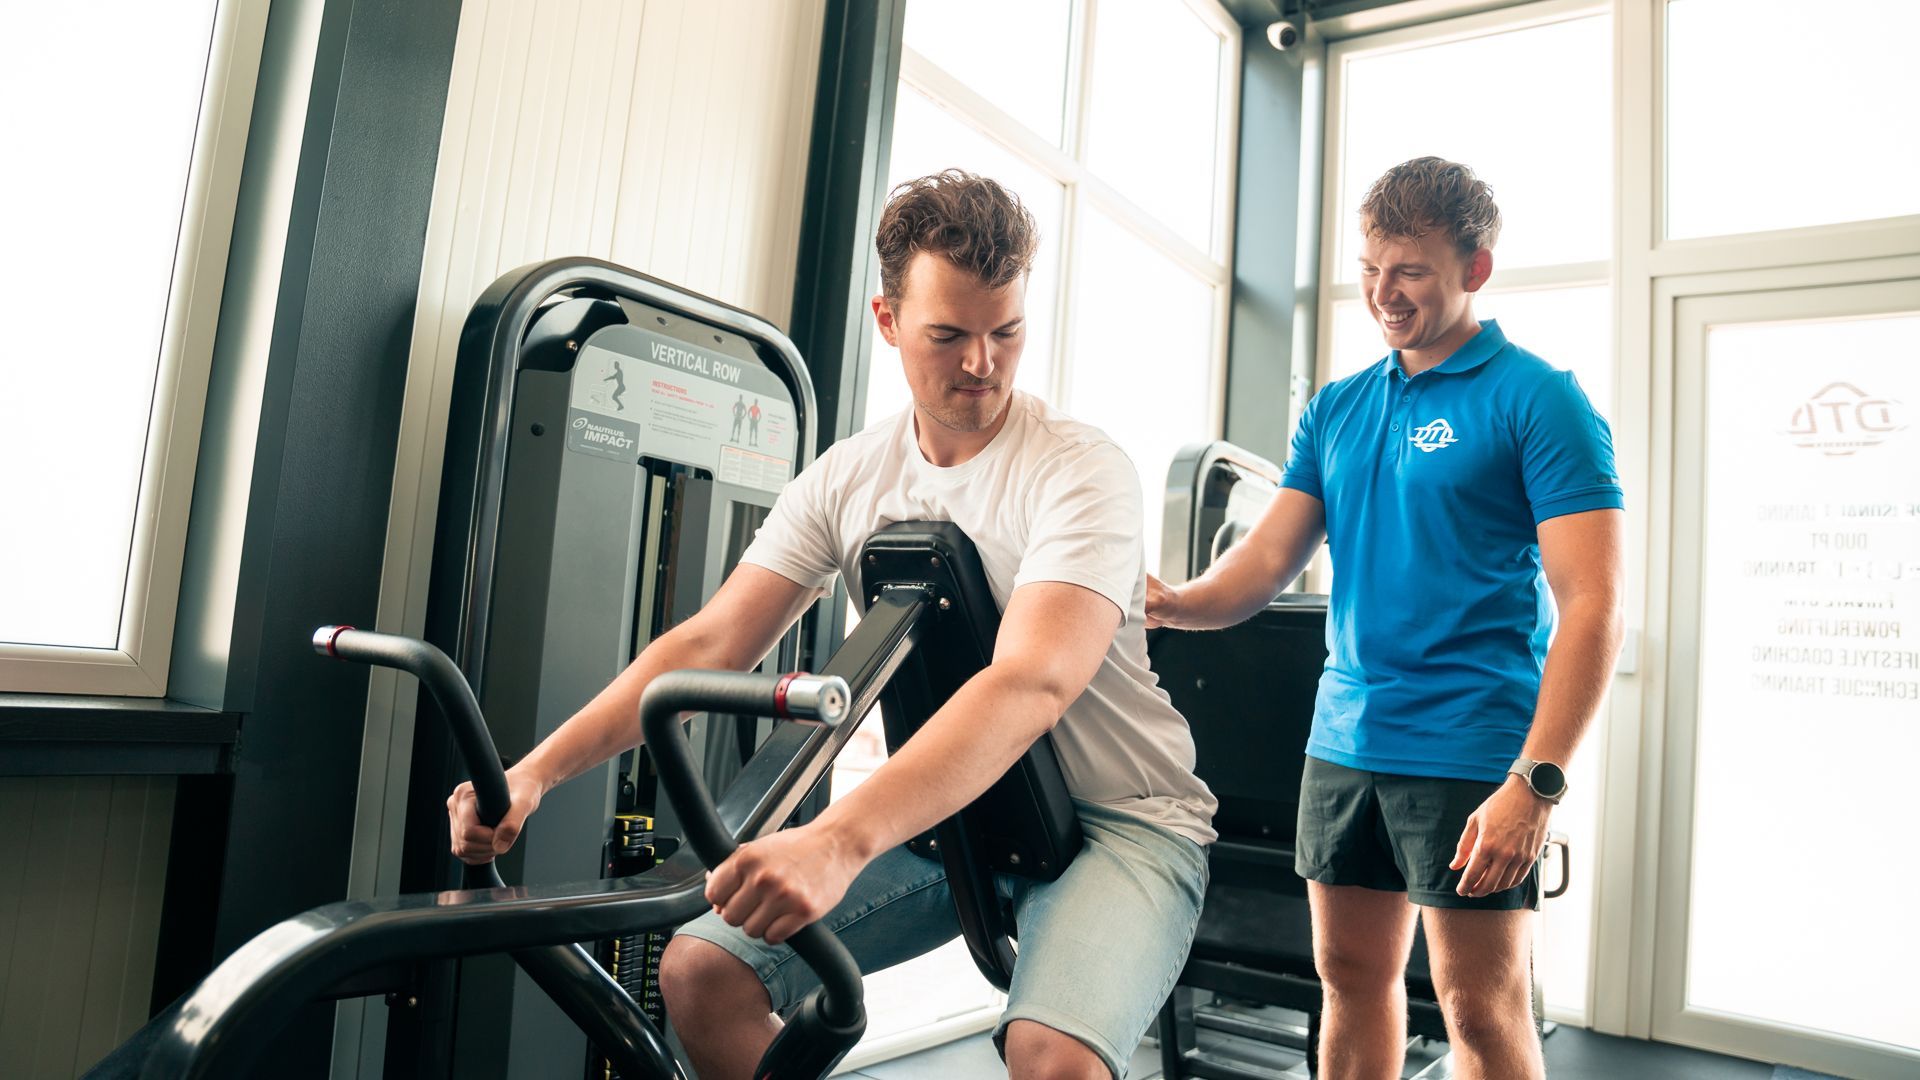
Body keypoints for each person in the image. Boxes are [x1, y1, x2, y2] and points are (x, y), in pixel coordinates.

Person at [447, 169, 1216, 1080]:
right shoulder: (848, 478)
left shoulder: (1080, 470)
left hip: (1123, 821)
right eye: (949, 335)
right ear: (888, 320)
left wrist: (839, 837)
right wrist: (534, 772)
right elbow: (708, 645)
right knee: (701, 974)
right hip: (962, 817)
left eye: (1006, 332)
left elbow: (1032, 683)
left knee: (1052, 1060)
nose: (983, 363)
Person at [1146, 157, 1624, 1080]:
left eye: (1408, 269)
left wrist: (1538, 782)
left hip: (1471, 750)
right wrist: (1172, 603)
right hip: (1344, 740)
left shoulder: (1539, 399)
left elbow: (1594, 605)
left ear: (1475, 268)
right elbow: (1262, 567)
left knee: (1477, 1010)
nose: (1381, 292)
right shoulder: (1337, 408)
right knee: (1348, 977)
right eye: (1369, 267)